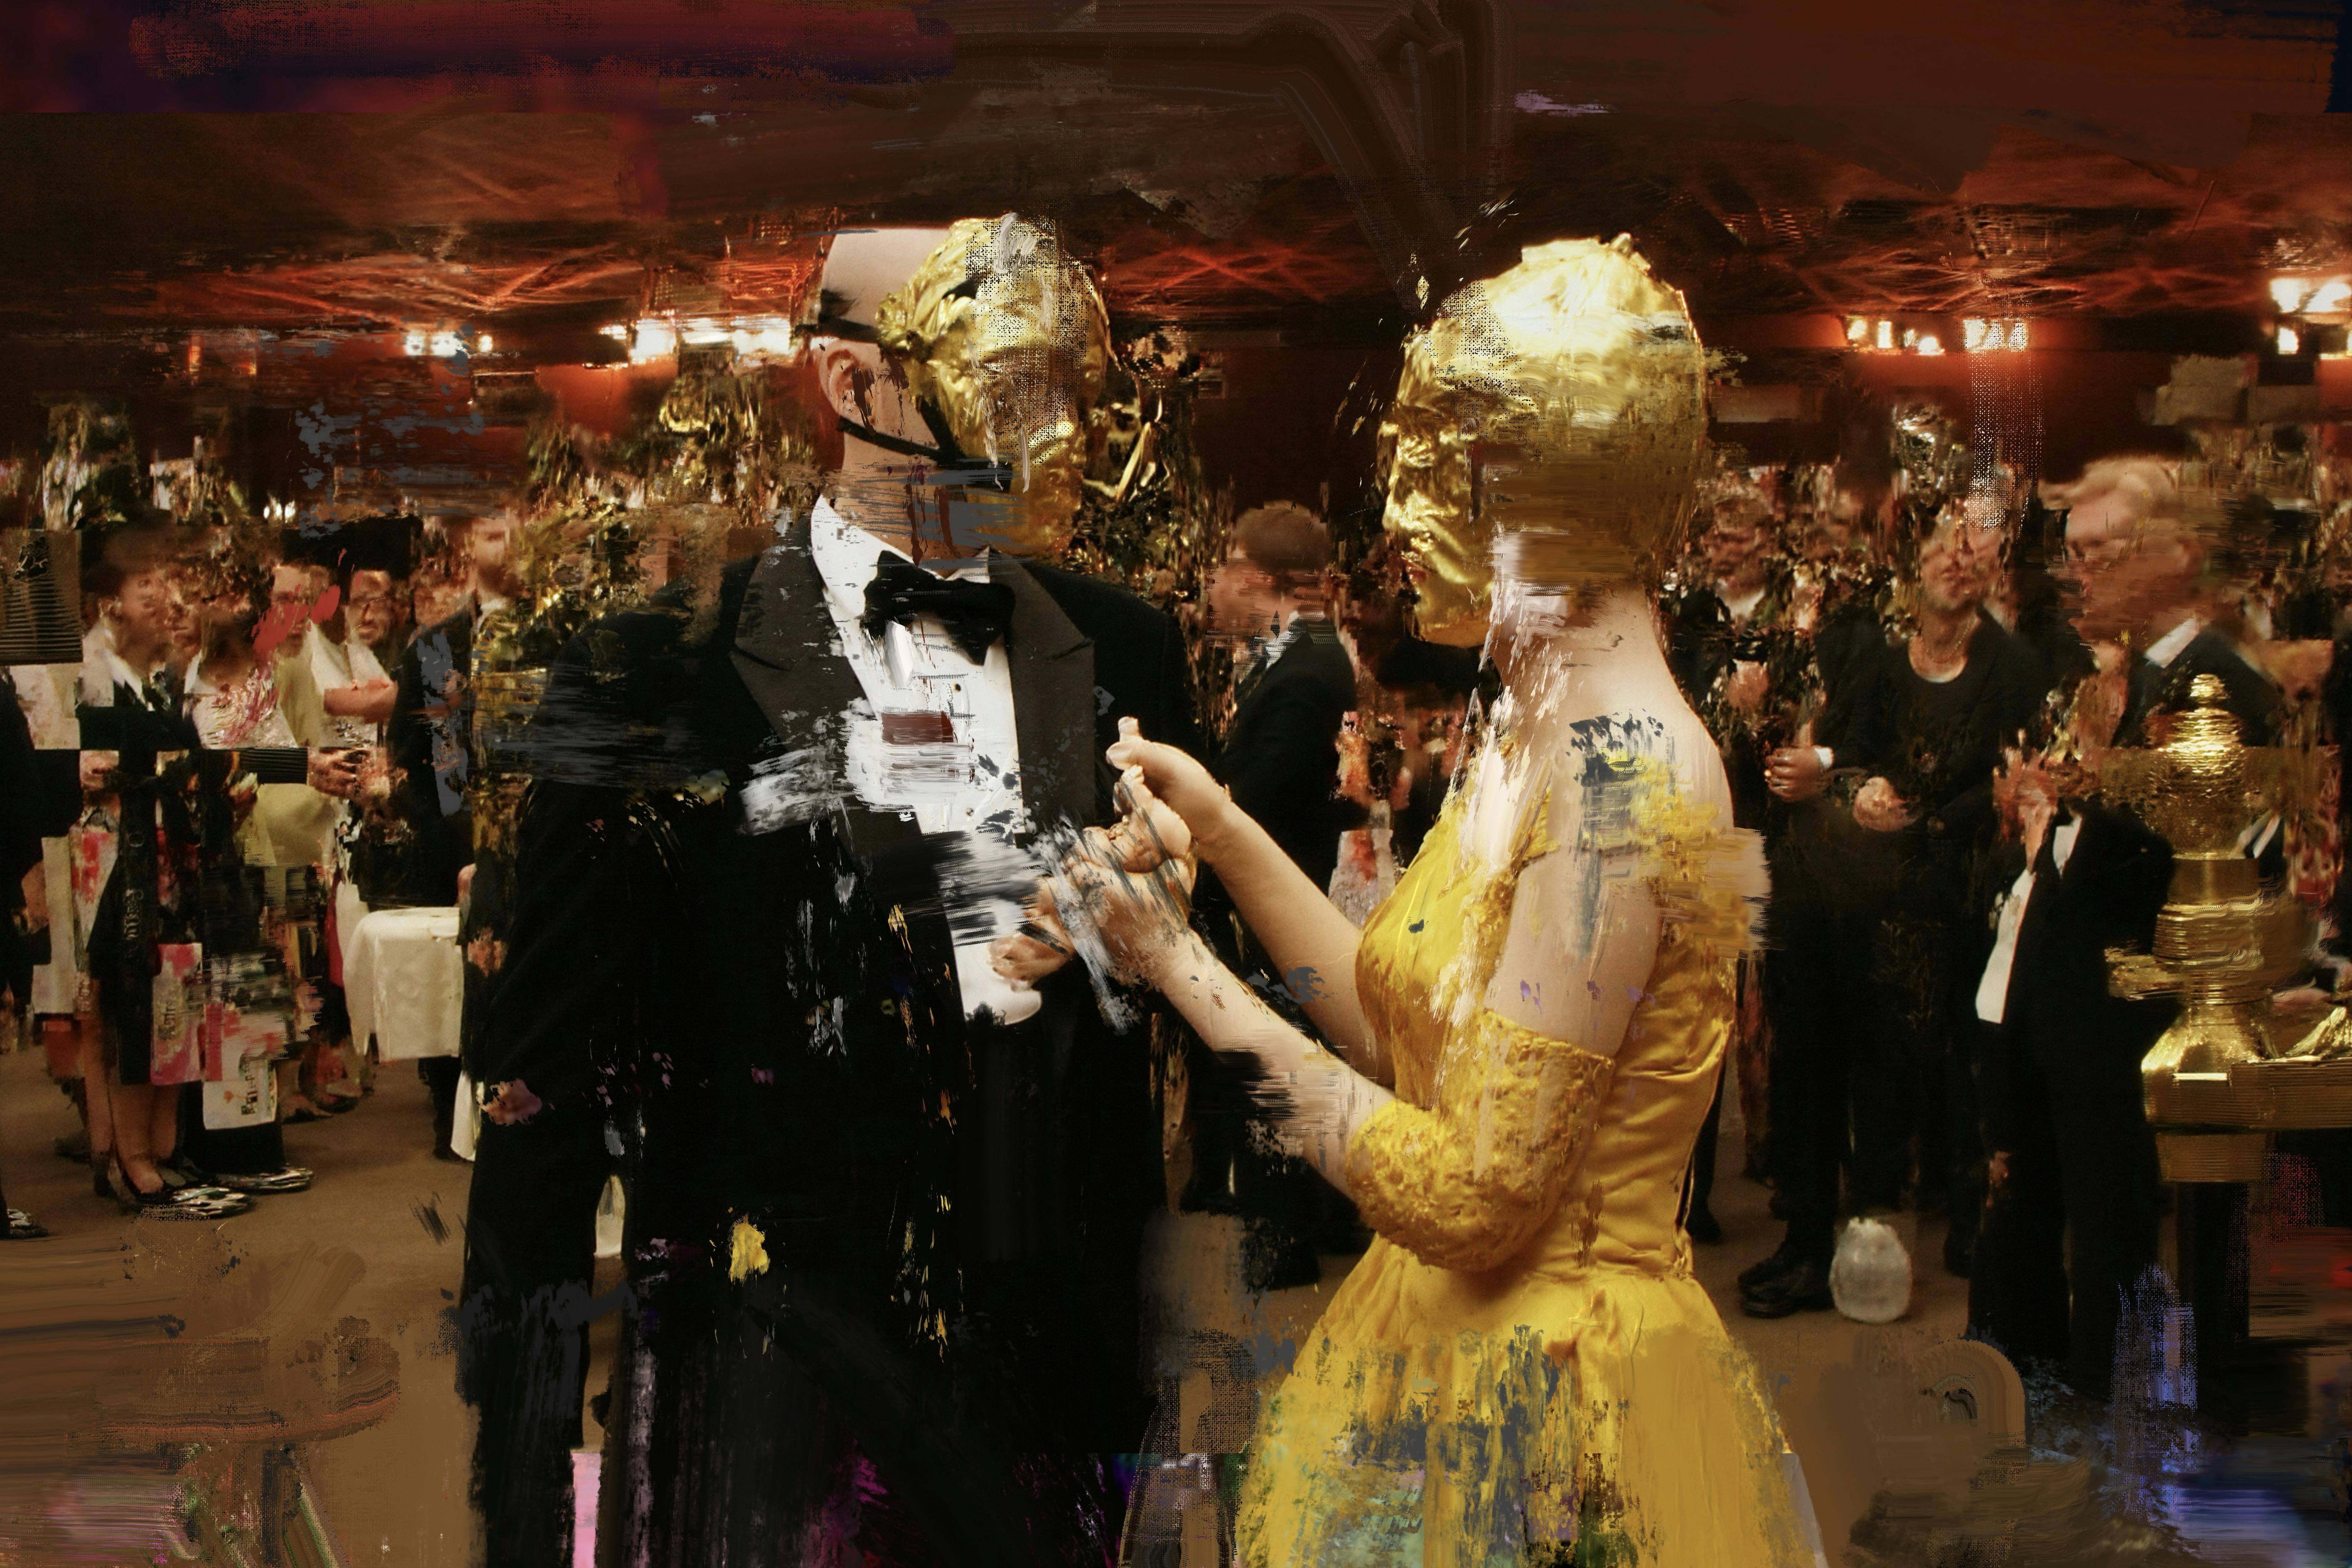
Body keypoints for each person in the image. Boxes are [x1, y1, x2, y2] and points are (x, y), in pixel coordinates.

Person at [458, 217, 1200, 1568]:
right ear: (852, 381)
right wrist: (522, 1474)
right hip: (770, 1396)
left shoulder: (1127, 648)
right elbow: (546, 1097)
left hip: (1054, 1400)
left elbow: (1163, 1023)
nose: (1059, 433)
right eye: (1007, 382)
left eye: (1071, 390)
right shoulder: (649, 677)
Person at [1062, 237, 1811, 1565]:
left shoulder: (1621, 772)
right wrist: (1225, 830)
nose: (1399, 512)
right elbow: (1398, 1030)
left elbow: (1475, 1194)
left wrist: (1181, 967)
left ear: (1563, 486)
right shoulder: (1536, 724)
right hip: (1450, 1350)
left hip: (1552, 1418)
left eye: (1445, 466)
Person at [1969, 455, 2279, 1398]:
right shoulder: (2116, 675)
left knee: (2118, 1232)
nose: (2082, 573)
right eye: (2073, 554)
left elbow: (2208, 855)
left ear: (2176, 553)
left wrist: (2084, 809)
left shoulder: (2214, 682)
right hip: (2071, 1000)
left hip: (2136, 1010)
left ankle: (2119, 1410)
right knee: (2066, 1215)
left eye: (2104, 550)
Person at [1184, 500, 1364, 1287]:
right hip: (1281, 888)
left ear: (1257, 577)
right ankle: (1317, 1215)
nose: (1216, 584)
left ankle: (1285, 1236)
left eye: (1227, 567)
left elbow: (1265, 791)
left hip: (1278, 892)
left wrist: (1200, 806)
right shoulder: (1294, 654)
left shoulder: (1308, 668)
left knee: (1277, 1058)